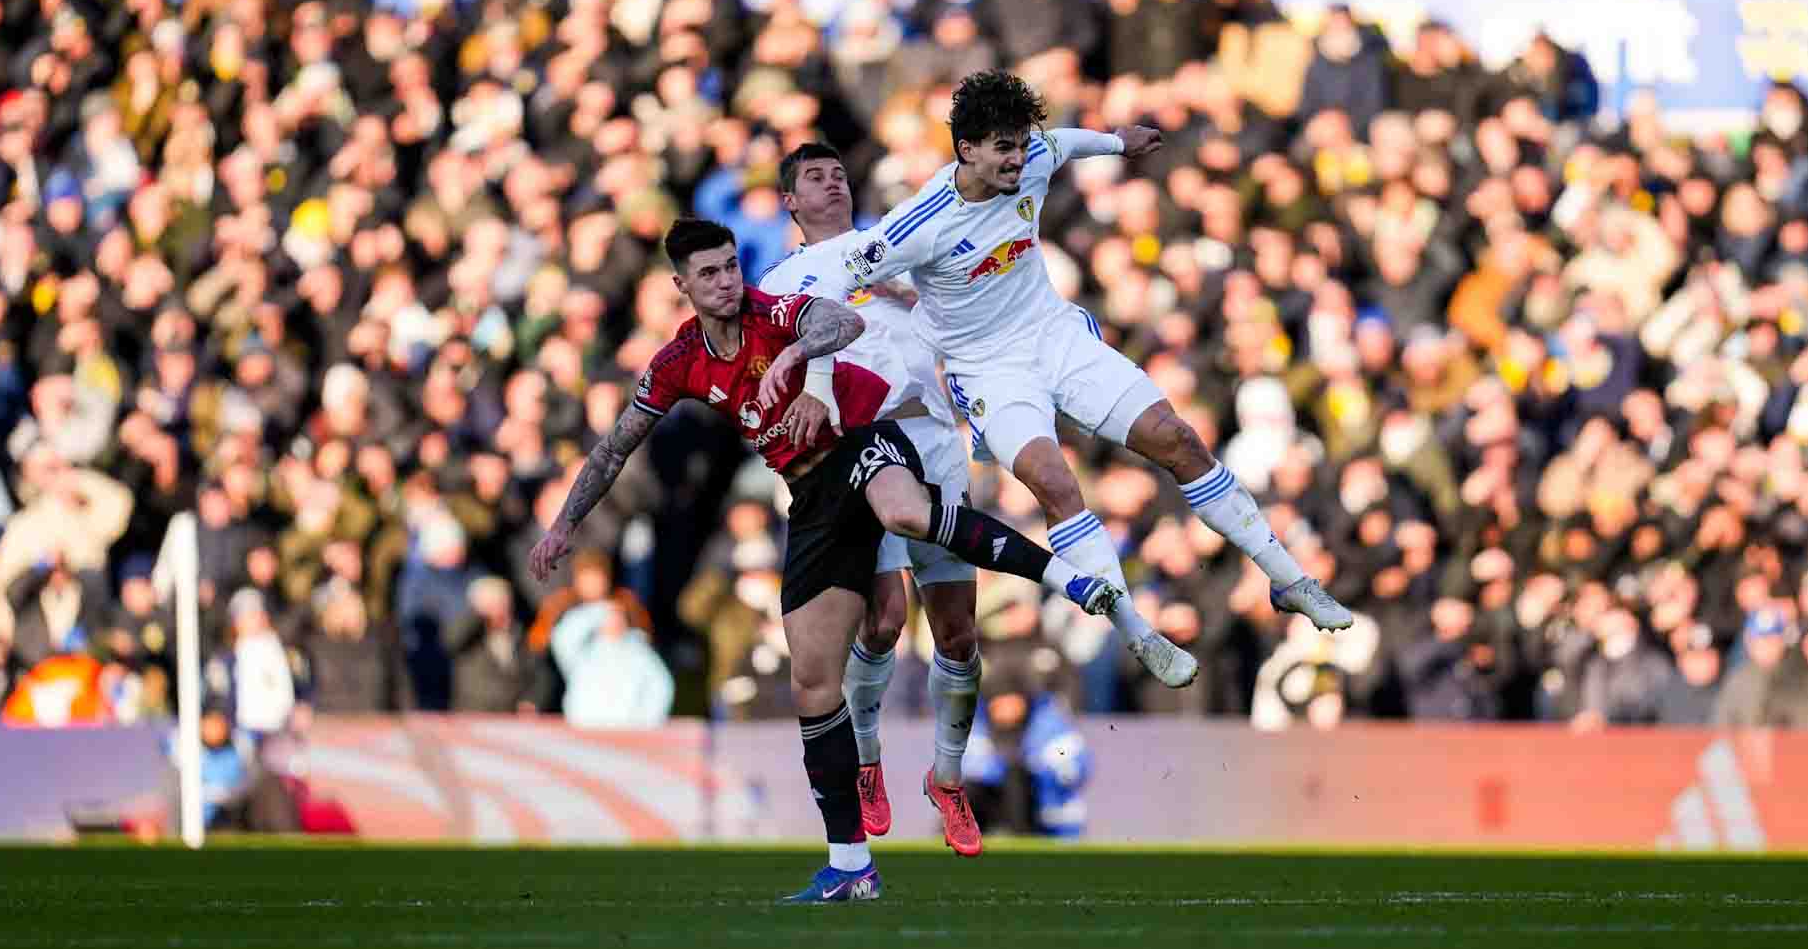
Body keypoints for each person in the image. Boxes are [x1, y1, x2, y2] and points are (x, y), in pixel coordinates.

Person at [527, 219, 1125, 900]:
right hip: (810, 497)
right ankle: (851, 868)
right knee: (813, 682)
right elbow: (614, 448)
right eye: (710, 273)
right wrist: (562, 525)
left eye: (730, 266)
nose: (726, 281)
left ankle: (1063, 574)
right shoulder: (679, 361)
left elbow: (840, 321)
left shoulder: (772, 308)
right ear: (681, 286)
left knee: (904, 515)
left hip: (864, 441)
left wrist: (797, 360)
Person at [819, 71, 1355, 688]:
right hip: (988, 370)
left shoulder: (1033, 160)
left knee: (1176, 438)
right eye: (1004, 149)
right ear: (965, 150)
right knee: (1052, 480)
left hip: (1057, 337)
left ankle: (1288, 579)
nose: (1019, 159)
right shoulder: (917, 224)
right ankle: (1138, 631)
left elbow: (1065, 143)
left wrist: (1118, 143)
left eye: (1022, 144)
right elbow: (845, 272)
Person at [757, 142, 981, 852]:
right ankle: (867, 761)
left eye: (839, 175)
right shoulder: (781, 283)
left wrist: (911, 295)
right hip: (865, 446)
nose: (833, 184)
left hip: (936, 437)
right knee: (882, 622)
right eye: (814, 178)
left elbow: (962, 311)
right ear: (790, 202)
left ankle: (947, 780)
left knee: (959, 633)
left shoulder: (894, 247)